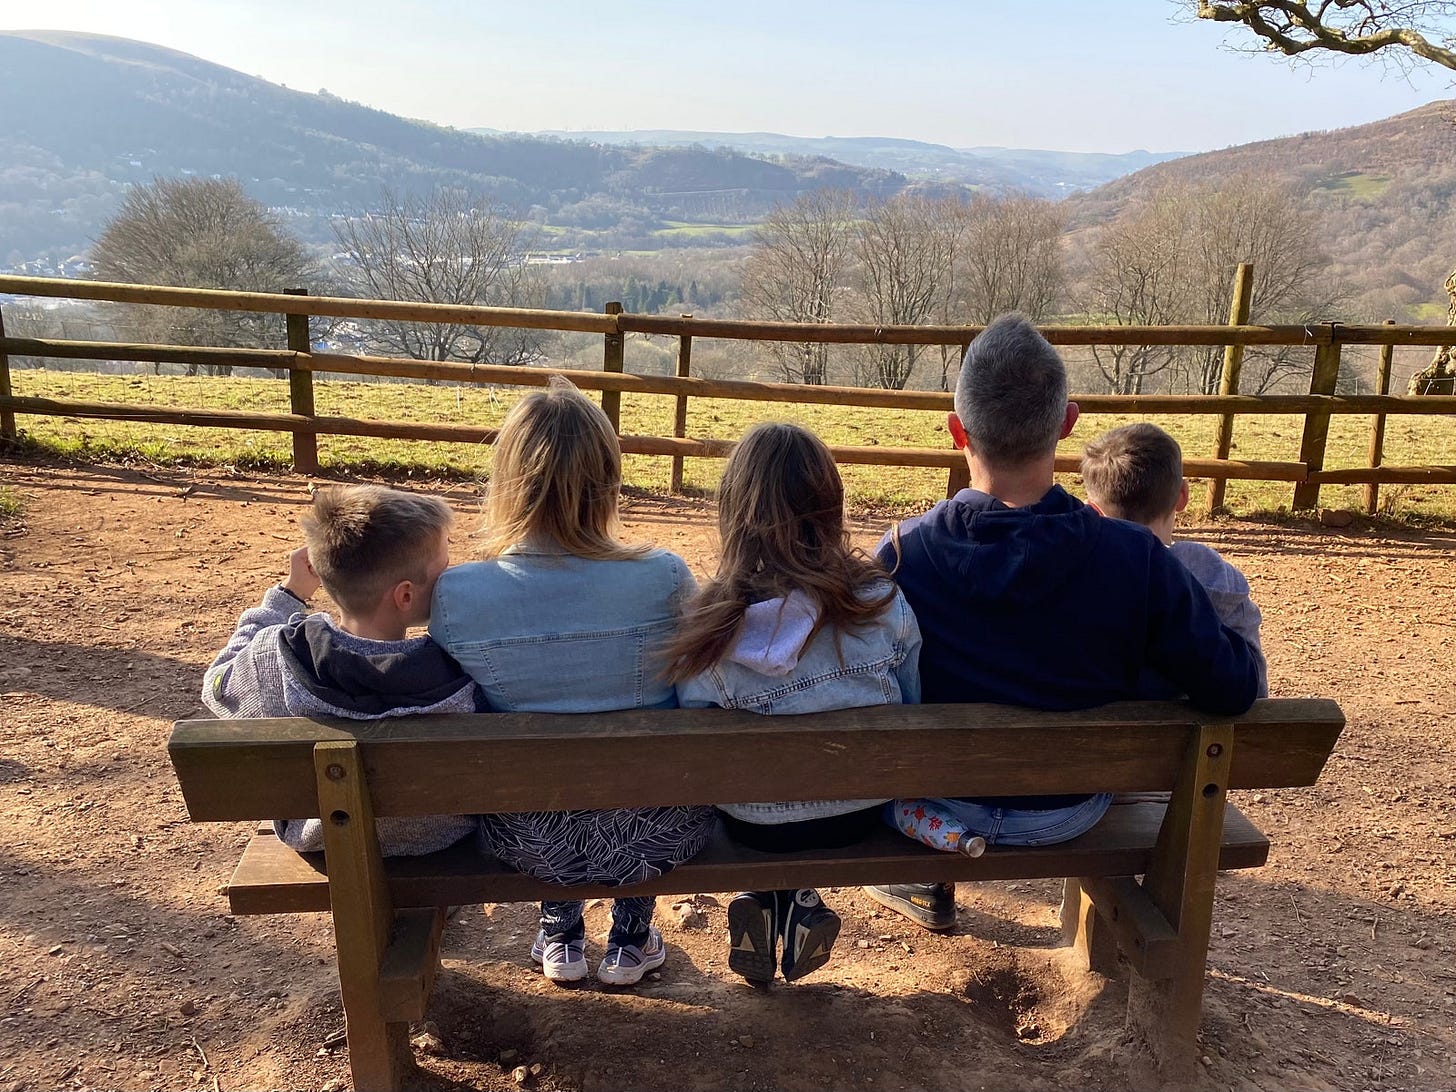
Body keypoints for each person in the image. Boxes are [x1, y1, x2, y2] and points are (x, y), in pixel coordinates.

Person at [871, 314, 1261, 931]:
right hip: (1069, 809)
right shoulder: (1135, 559)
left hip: (941, 798)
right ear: (1067, 423)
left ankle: (926, 880)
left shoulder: (900, 554)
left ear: (955, 432)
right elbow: (1234, 686)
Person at [430, 377, 716, 988]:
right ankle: (631, 938)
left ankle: (559, 931)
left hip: (530, 839)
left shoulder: (456, 595)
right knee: (642, 772)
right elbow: (697, 690)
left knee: (544, 774)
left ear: (508, 482)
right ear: (608, 481)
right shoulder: (665, 575)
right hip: (658, 835)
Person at [665, 423, 922, 986]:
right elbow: (912, 703)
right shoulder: (880, 602)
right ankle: (800, 896)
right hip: (857, 815)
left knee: (762, 793)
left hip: (751, 823)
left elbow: (693, 732)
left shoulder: (708, 624)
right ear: (829, 510)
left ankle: (764, 889)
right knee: (809, 794)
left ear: (733, 515)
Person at [201, 484, 478, 856]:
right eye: (445, 569)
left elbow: (217, 684)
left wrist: (289, 595)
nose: (451, 577)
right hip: (443, 842)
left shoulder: (277, 655)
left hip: (328, 844)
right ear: (406, 596)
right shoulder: (465, 665)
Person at [1080, 421, 1268, 697]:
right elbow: (1257, 696)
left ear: (1092, 510)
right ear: (1182, 496)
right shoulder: (1217, 580)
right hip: (1203, 740)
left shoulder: (1074, 574)